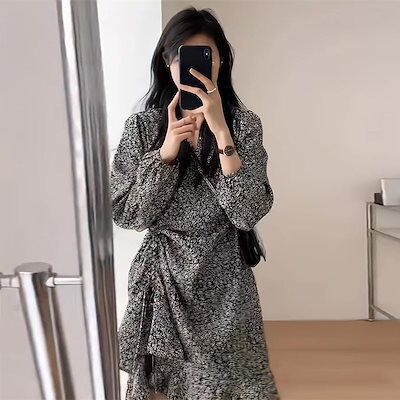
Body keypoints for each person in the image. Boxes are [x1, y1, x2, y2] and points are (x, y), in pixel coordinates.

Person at [110, 6, 280, 400]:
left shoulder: (244, 125)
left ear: (222, 61)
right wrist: (166, 153)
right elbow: (128, 214)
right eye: (182, 57)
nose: (195, 68)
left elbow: (247, 212)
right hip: (163, 278)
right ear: (167, 62)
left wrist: (221, 130)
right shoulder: (143, 128)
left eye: (206, 56)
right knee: (162, 387)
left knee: (235, 385)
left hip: (226, 281)